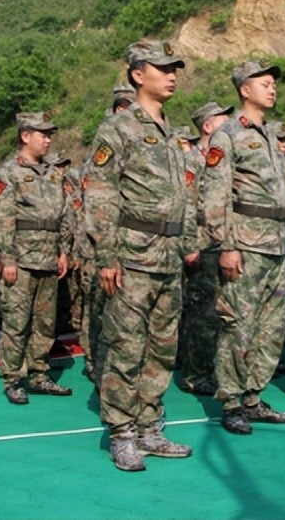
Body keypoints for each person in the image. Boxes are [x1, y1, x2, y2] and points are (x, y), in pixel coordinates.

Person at [84, 40, 197, 472]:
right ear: (137, 75)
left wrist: (187, 244)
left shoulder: (171, 132)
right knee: (126, 346)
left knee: (162, 349)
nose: (171, 75)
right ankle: (122, 433)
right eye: (162, 68)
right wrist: (107, 257)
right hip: (132, 255)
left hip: (168, 256)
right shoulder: (118, 128)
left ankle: (150, 426)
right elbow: (101, 193)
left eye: (174, 69)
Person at [199, 60, 285, 435]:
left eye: (273, 84)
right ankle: (232, 402)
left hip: (274, 243)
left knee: (270, 328)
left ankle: (253, 397)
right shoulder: (228, 135)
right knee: (237, 324)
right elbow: (215, 193)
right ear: (244, 89)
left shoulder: (269, 135)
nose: (272, 89)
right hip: (245, 243)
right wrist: (226, 244)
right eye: (264, 83)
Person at [0, 112, 72, 405]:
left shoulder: (53, 174)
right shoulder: (9, 173)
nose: (48, 140)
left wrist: (63, 250)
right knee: (16, 322)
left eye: (49, 135)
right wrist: (7, 258)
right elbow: (1, 219)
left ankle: (39, 374)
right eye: (42, 134)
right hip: (21, 260)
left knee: (45, 323)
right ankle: (12, 378)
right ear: (25, 136)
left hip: (48, 258)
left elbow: (64, 214)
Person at [177, 101, 233, 397]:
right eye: (223, 119)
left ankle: (214, 368)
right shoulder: (193, 161)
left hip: (223, 242)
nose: (230, 124)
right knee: (202, 311)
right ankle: (194, 374)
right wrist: (189, 244)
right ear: (208, 126)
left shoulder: (224, 157)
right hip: (201, 242)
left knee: (221, 310)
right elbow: (185, 205)